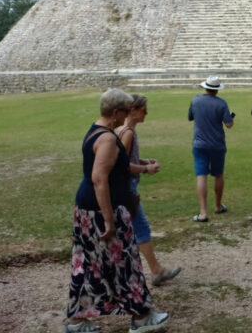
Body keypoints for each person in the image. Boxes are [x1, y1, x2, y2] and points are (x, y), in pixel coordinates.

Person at [65, 88, 171, 333]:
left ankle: (76, 322)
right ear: (115, 112)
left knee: (90, 264)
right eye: (125, 112)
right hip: (102, 210)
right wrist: (109, 220)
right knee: (125, 261)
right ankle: (142, 316)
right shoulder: (108, 139)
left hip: (87, 210)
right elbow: (99, 179)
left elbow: (112, 169)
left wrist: (141, 164)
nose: (127, 117)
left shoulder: (95, 131)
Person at [117, 95, 181, 288]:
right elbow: (122, 165)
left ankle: (149, 270)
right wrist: (145, 169)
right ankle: (156, 271)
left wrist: (142, 161)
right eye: (144, 109)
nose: (147, 113)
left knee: (129, 229)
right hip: (128, 187)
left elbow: (125, 158)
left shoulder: (123, 130)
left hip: (126, 187)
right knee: (141, 227)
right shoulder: (128, 132)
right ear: (133, 110)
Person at [188, 75, 233, 222]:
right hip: (217, 144)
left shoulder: (195, 100)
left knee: (201, 176)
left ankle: (203, 212)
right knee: (218, 175)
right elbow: (228, 124)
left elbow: (191, 117)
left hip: (199, 143)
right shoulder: (222, 104)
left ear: (205, 87)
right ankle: (218, 205)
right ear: (217, 90)